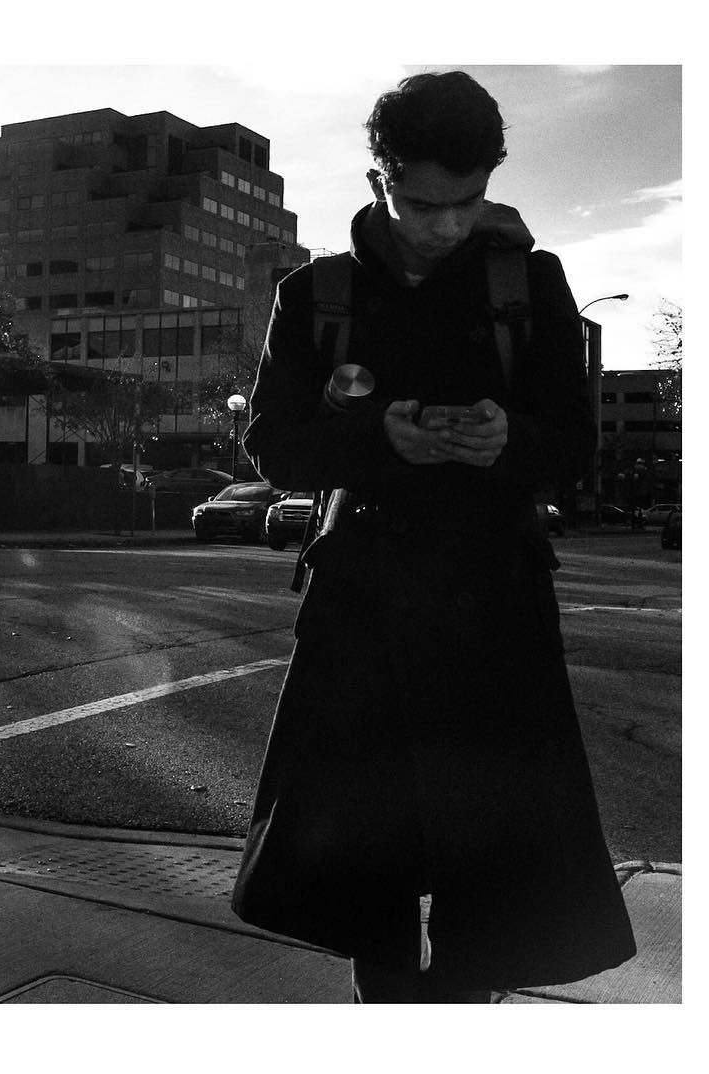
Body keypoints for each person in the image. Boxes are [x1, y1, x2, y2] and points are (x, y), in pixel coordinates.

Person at [230, 71, 636, 1003]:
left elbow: (573, 444)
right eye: (422, 204)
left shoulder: (528, 283)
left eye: (470, 202)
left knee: (491, 880)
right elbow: (274, 446)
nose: (447, 226)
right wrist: (380, 440)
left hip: (496, 612)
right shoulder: (317, 294)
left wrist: (509, 441)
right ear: (378, 176)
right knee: (368, 881)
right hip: (362, 616)